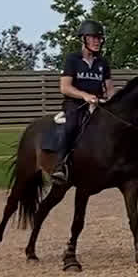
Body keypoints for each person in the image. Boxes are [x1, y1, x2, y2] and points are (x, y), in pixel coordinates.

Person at [51, 19, 112, 186]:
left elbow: (109, 88)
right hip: (75, 104)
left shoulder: (103, 63)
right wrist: (84, 96)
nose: (97, 41)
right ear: (83, 39)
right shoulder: (73, 59)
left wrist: (114, 99)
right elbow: (65, 87)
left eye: (99, 38)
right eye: (93, 37)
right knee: (71, 126)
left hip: (98, 104)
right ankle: (60, 166)